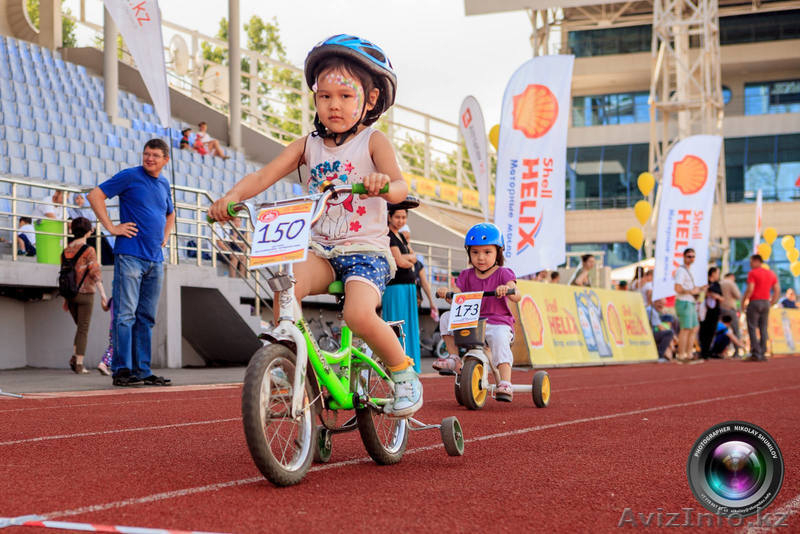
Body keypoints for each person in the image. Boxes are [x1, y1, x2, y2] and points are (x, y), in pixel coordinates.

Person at [209, 35, 422, 417]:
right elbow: (263, 176)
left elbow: (400, 186)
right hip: (322, 249)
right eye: (325, 96)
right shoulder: (308, 145)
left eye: (345, 95)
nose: (333, 105)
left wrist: (383, 185)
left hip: (366, 252)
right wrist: (231, 198)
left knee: (358, 315)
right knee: (286, 284)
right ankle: (288, 359)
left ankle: (404, 373)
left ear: (370, 99)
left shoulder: (373, 142)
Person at [87, 138, 176, 387]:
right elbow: (95, 195)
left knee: (146, 317)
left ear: (165, 160)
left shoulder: (164, 183)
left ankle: (142, 370)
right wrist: (111, 228)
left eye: (155, 155)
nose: (149, 158)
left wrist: (165, 236)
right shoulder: (130, 175)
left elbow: (170, 213)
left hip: (155, 259)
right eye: (147, 154)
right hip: (130, 255)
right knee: (125, 315)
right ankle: (121, 370)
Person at [432, 223, 521, 401]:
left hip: (497, 323)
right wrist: (447, 293)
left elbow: (516, 295)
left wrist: (507, 289)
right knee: (446, 317)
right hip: (471, 321)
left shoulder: (503, 273)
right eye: (475, 252)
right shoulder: (466, 275)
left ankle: (505, 381)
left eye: (487, 252)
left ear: (498, 252)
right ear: (469, 253)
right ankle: (454, 358)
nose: (481, 257)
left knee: (500, 338)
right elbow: (456, 295)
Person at [61, 217, 108, 374]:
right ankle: (79, 364)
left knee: (80, 328)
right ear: (88, 232)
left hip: (70, 294)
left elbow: (64, 275)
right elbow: (95, 273)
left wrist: (66, 299)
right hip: (86, 294)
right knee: (83, 329)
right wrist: (103, 295)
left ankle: (75, 358)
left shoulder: (66, 250)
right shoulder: (89, 250)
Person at [384, 207, 422, 372]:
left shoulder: (401, 236)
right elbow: (400, 262)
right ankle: (398, 365)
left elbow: (412, 258)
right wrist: (409, 259)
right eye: (397, 217)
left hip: (408, 287)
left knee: (409, 327)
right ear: (389, 217)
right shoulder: (389, 235)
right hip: (396, 287)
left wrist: (408, 258)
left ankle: (411, 365)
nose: (401, 220)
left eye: (403, 217)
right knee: (397, 325)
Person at [742, 254, 780, 362]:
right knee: (763, 328)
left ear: (756, 261)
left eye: (751, 262)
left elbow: (750, 288)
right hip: (766, 302)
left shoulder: (752, 273)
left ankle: (756, 353)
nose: (750, 264)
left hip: (755, 302)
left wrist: (744, 300)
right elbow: (777, 290)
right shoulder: (771, 273)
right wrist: (772, 302)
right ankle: (762, 352)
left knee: (752, 327)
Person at [673, 248, 704, 362]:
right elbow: (677, 288)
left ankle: (689, 354)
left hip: (690, 302)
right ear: (684, 257)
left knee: (694, 328)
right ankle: (681, 355)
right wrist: (691, 291)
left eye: (693, 256)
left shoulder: (689, 270)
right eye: (689, 256)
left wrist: (698, 289)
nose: (691, 259)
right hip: (684, 302)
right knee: (685, 328)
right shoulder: (681, 271)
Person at [698, 266, 723, 358]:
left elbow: (722, 298)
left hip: (715, 311)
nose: (718, 275)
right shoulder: (704, 283)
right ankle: (703, 351)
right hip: (704, 311)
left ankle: (707, 351)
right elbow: (700, 295)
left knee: (711, 331)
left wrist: (716, 296)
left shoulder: (717, 285)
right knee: (703, 331)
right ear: (712, 273)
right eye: (717, 273)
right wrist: (707, 293)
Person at [720, 272, 742, 356]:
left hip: (720, 309)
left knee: (721, 330)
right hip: (730, 309)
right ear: (732, 277)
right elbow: (738, 295)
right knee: (735, 330)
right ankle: (737, 351)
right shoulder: (731, 283)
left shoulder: (720, 283)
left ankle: (721, 351)